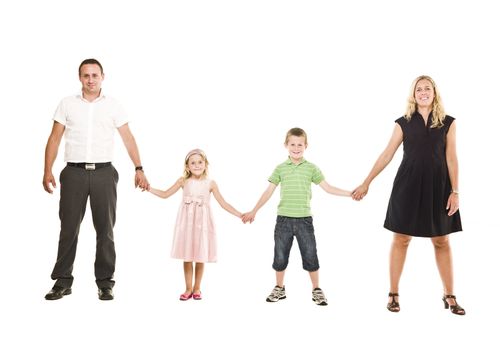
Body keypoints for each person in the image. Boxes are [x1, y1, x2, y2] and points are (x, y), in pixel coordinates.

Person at [352, 75, 465, 315]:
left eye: (427, 88)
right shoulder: (403, 122)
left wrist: (455, 191)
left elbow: (452, 158)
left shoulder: (448, 122)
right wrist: (366, 183)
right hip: (407, 186)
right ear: (413, 95)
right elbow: (386, 155)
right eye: (418, 89)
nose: (423, 92)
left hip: (439, 187)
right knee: (401, 239)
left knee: (442, 240)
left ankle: (449, 295)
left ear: (434, 92)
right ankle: (393, 293)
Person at [43, 58, 149, 301]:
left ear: (103, 76)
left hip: (104, 173)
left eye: (95, 75)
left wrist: (139, 168)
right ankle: (62, 281)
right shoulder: (67, 104)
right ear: (79, 77)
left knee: (105, 230)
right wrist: (47, 170)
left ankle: (105, 282)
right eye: (86, 75)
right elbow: (54, 138)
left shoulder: (113, 106)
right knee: (68, 228)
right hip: (73, 173)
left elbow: (128, 138)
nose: (90, 79)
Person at [242, 128, 352, 306]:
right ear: (286, 145)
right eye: (292, 144)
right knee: (280, 256)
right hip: (283, 220)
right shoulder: (280, 168)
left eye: (299, 144)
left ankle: (316, 289)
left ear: (306, 146)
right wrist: (254, 211)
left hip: (304, 221)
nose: (296, 148)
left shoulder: (311, 168)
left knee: (310, 254)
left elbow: (328, 188)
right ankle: (279, 287)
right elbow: (268, 191)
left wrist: (350, 193)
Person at [148, 149, 242, 300]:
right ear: (187, 166)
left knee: (200, 255)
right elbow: (165, 194)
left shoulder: (211, 183)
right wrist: (148, 188)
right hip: (186, 224)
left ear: (205, 164)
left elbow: (223, 203)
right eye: (193, 163)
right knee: (187, 256)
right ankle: (188, 288)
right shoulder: (183, 181)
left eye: (200, 162)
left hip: (202, 225)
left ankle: (197, 288)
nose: (197, 165)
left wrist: (240, 214)